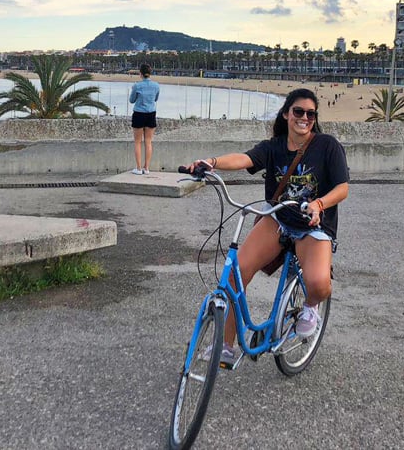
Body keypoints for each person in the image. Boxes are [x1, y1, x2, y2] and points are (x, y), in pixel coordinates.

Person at [185, 88, 349, 365]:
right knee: (237, 273)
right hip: (278, 218)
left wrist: (319, 205)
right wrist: (211, 163)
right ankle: (225, 346)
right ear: (286, 114)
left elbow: (342, 188)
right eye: (298, 112)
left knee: (319, 284)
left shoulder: (327, 146)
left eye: (311, 113)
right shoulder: (273, 147)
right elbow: (245, 159)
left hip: (312, 224)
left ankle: (310, 308)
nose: (304, 118)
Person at [129, 64, 159, 174]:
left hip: (139, 113)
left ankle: (138, 168)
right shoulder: (156, 85)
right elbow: (155, 99)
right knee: (148, 142)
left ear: (140, 73)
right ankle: (146, 168)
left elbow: (132, 100)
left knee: (137, 142)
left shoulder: (137, 86)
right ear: (150, 73)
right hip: (151, 113)